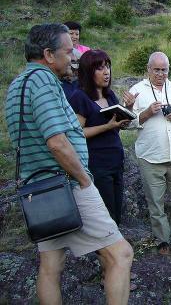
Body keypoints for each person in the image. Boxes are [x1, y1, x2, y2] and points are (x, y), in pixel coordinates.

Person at [4, 23, 133, 304]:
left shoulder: (17, 85)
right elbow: (56, 142)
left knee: (51, 266)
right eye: (67, 51)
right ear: (49, 55)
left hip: (39, 191)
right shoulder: (44, 82)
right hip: (68, 185)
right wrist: (85, 182)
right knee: (120, 254)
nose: (73, 58)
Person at [125, 52, 171, 255]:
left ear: (168, 70)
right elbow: (126, 122)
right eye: (156, 69)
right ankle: (162, 240)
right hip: (150, 156)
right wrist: (146, 113)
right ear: (148, 69)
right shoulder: (137, 91)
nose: (160, 73)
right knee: (155, 202)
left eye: (164, 69)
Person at [69, 50, 129, 225]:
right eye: (100, 68)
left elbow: (114, 127)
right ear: (88, 71)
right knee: (105, 212)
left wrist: (125, 115)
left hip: (116, 161)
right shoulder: (79, 97)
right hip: (97, 164)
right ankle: (107, 250)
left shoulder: (109, 95)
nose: (106, 72)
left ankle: (115, 249)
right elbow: (77, 134)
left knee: (117, 210)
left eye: (108, 67)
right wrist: (107, 126)